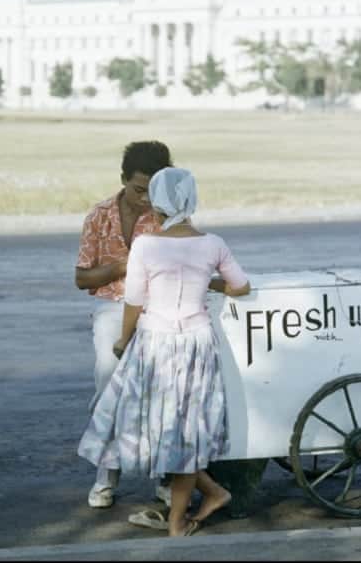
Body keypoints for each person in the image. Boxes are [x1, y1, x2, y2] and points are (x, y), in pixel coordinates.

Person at [78, 167, 251, 536]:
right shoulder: (213, 243)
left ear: (157, 207)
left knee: (153, 426)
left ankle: (178, 520)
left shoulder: (146, 245)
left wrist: (124, 341)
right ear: (191, 202)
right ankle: (211, 494)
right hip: (197, 343)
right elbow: (241, 286)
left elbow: (134, 302)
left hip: (155, 344)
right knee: (186, 429)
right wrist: (211, 281)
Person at [75, 141, 173, 509]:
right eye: (137, 190)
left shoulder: (169, 216)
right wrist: (121, 267)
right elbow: (82, 279)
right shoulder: (98, 215)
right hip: (111, 307)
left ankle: (164, 476)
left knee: (161, 392)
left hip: (157, 309)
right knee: (108, 382)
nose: (145, 199)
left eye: (152, 190)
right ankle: (107, 475)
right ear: (122, 181)